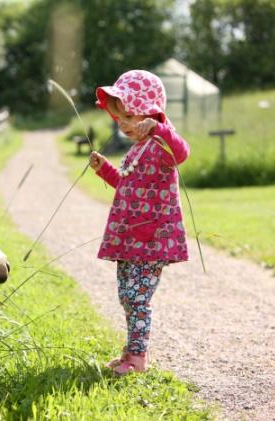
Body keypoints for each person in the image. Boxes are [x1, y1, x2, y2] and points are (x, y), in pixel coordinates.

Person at [89, 70, 190, 376]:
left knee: (138, 297)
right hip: (129, 237)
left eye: (130, 115)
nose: (123, 124)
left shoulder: (161, 146)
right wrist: (103, 169)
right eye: (119, 117)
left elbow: (182, 153)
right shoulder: (135, 149)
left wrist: (160, 129)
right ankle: (130, 351)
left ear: (151, 113)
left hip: (152, 238)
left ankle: (138, 359)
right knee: (126, 296)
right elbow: (125, 184)